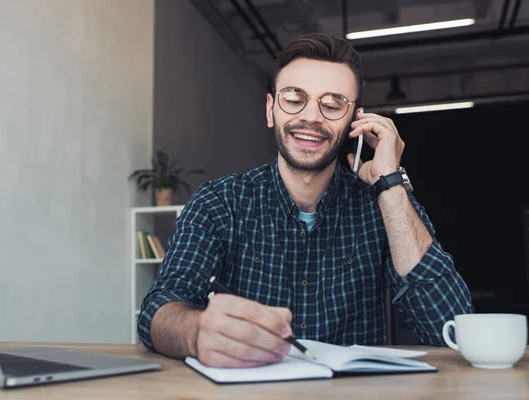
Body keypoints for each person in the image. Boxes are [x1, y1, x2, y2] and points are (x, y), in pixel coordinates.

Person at [137, 33, 473, 368]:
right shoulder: (218, 203)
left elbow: (454, 328)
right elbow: (159, 309)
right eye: (295, 98)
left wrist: (390, 182)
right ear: (271, 110)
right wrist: (198, 331)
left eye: (332, 104)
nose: (311, 117)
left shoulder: (382, 205)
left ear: (355, 121)